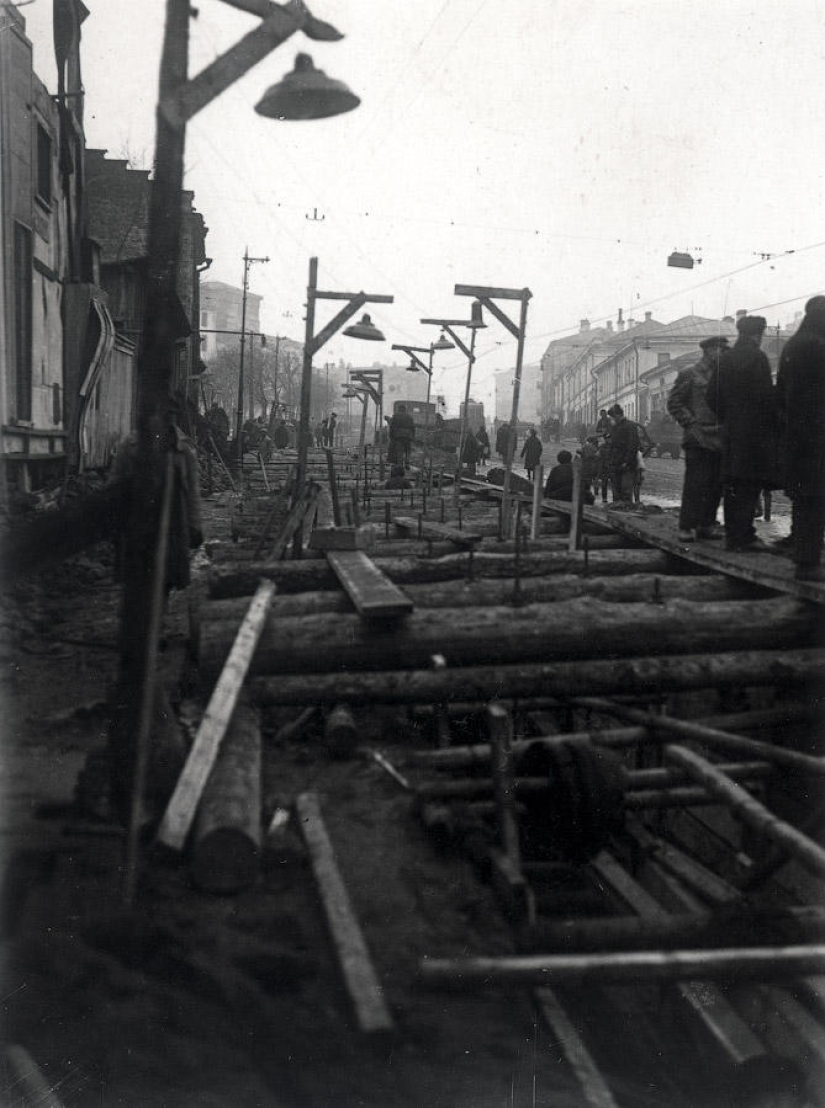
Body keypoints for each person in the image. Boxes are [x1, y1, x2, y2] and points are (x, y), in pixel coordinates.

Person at [707, 315, 779, 553]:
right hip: (754, 433)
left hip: (731, 431)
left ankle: (733, 537)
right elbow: (766, 397)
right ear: (758, 334)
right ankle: (745, 536)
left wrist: (728, 416)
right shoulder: (758, 357)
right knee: (750, 483)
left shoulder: (725, 359)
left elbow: (711, 396)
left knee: (733, 483)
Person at [776, 295, 825, 580]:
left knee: (805, 497)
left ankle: (803, 556)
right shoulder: (819, 347)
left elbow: (781, 393)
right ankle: (808, 564)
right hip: (817, 434)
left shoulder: (793, 345)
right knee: (815, 497)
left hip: (796, 433)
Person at [667, 335, 728, 541]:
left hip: (718, 438)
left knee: (715, 484)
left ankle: (706, 524)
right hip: (697, 438)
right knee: (695, 483)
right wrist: (690, 423)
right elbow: (674, 403)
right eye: (720, 349)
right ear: (709, 351)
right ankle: (686, 526)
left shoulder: (722, 375)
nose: (723, 353)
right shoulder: (690, 373)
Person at [606, 404, 640, 502]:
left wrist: (627, 461)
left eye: (612, 417)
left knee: (626, 492)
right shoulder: (615, 427)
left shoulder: (630, 425)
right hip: (615, 463)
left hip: (626, 465)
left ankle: (626, 510)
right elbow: (612, 445)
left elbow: (633, 445)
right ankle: (616, 509)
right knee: (616, 492)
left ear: (617, 415)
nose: (612, 420)